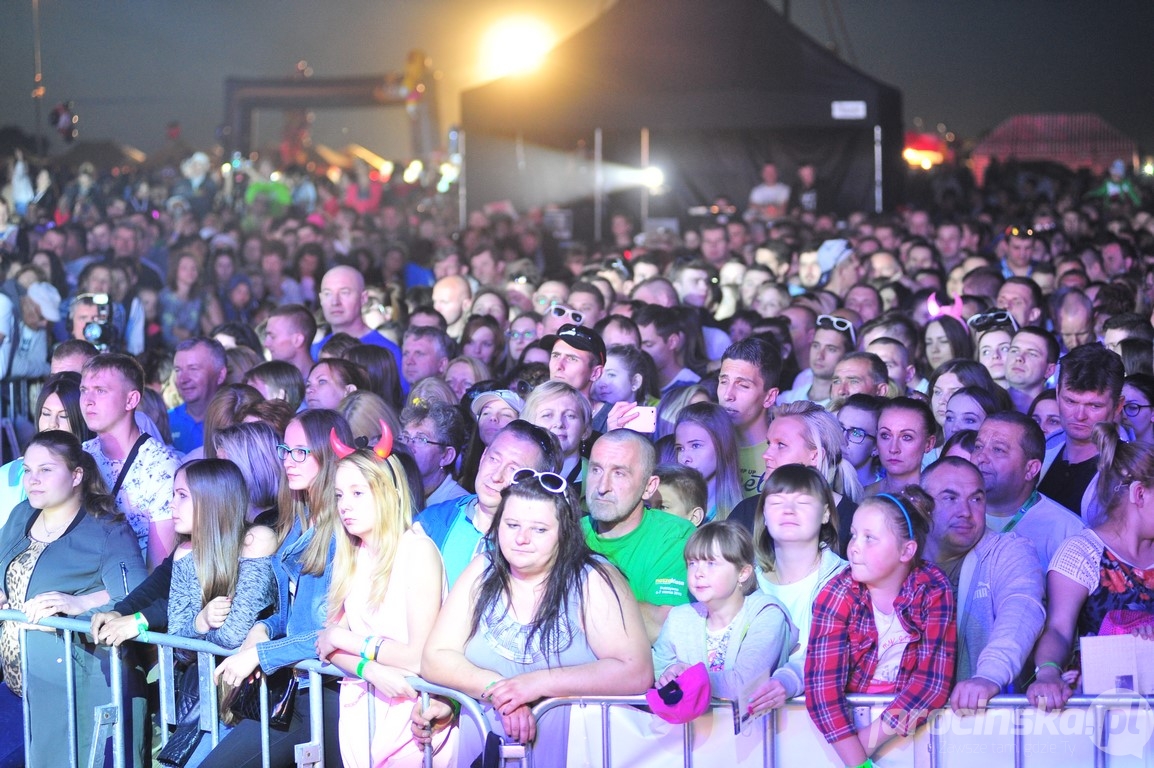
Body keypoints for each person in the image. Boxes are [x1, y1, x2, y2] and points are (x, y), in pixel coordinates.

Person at [414, 468, 652, 767]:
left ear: (564, 532)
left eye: (539, 529)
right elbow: (435, 656)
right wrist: (501, 691)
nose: (521, 539)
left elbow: (636, 672)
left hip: (572, 753)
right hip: (486, 750)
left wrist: (536, 684)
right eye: (512, 524)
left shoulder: (593, 579)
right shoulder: (482, 569)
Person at [201, 410, 355, 768]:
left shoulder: (340, 535)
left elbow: (329, 632)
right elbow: (292, 614)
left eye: (302, 451)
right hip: (298, 687)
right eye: (286, 449)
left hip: (327, 693)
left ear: (328, 455)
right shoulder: (300, 521)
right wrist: (263, 628)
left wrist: (260, 654)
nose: (289, 460)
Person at [0, 430, 148, 768]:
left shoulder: (107, 529)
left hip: (78, 689)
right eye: (27, 470)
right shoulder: (21, 515)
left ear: (76, 475)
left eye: (46, 470)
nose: (32, 480)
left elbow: (138, 595)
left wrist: (78, 604)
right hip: (19, 687)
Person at [316, 438, 448, 768]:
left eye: (358, 493)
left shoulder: (417, 550)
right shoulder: (351, 556)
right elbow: (325, 646)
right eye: (339, 495)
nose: (345, 505)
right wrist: (369, 669)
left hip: (411, 716)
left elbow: (418, 657)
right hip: (364, 709)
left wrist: (345, 640)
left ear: (388, 491)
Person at [805, 489, 956, 767]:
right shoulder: (836, 594)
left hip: (907, 733)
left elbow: (931, 684)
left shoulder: (933, 588)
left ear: (906, 550)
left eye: (870, 538)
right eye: (853, 534)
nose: (854, 547)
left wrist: (864, 748)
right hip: (840, 738)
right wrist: (858, 760)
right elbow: (823, 693)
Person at [1027, 424, 1154, 711]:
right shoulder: (1082, 552)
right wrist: (1047, 672)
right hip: (1097, 702)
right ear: (1139, 494)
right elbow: (1058, 629)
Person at [163, 459, 278, 767]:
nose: (172, 504)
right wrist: (200, 623)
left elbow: (235, 634)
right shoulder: (185, 554)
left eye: (182, 495)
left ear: (212, 499)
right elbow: (176, 642)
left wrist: (202, 635)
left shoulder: (257, 541)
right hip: (207, 697)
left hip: (253, 698)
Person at [920, 457, 1045, 711]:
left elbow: (1021, 608)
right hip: (906, 719)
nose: (965, 511)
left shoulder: (1009, 550)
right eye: (950, 498)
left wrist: (988, 676)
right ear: (923, 506)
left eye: (976, 499)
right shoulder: (900, 554)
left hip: (986, 720)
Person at [652, 521, 797, 703]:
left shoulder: (766, 614)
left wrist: (689, 678)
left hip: (754, 730)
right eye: (692, 563)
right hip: (692, 729)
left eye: (711, 563)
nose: (698, 573)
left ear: (743, 573)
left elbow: (745, 684)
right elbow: (658, 670)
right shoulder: (678, 618)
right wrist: (669, 673)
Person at [747, 465, 848, 711]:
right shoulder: (745, 582)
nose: (788, 511)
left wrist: (788, 680)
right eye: (777, 502)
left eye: (802, 502)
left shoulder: (846, 580)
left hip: (820, 726)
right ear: (764, 515)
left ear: (825, 514)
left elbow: (838, 655)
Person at [415, 420, 561, 587]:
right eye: (493, 459)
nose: (496, 476)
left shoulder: (537, 547)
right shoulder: (432, 522)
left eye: (513, 470)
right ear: (483, 456)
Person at [583, 429, 696, 642]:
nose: (602, 487)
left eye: (619, 473)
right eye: (596, 470)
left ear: (648, 487)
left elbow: (663, 626)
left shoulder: (673, 536)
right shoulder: (569, 533)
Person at [82, 353, 180, 570]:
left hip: (130, 593)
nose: (88, 401)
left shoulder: (161, 467)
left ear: (131, 400)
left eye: (100, 391)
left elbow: (157, 572)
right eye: (83, 390)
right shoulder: (81, 455)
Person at [972, 412, 1084, 570]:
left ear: (1031, 469)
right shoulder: (949, 512)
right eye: (978, 447)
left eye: (998, 450)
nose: (981, 457)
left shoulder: (1068, 533)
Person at [1038, 343, 1126, 522]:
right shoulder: (1041, 450)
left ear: (1118, 406)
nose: (1079, 415)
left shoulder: (1129, 471)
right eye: (1070, 401)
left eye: (1094, 405)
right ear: (1057, 393)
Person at [0, 372, 92, 527]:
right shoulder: (8, 475)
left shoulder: (97, 472)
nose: (52, 424)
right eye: (46, 414)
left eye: (64, 416)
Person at [311, 265, 403, 380]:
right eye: (327, 294)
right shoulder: (315, 350)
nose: (335, 302)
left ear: (363, 298)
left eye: (344, 292)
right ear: (321, 299)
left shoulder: (388, 352)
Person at [717, 338, 782, 498]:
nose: (728, 395)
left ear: (769, 397)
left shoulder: (783, 455)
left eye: (743, 385)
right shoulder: (709, 447)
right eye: (723, 381)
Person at [673, 401, 743, 522]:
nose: (685, 458)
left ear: (722, 445)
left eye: (695, 446)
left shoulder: (741, 515)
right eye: (680, 448)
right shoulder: (668, 509)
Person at [521, 380, 592, 491]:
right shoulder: (517, 476)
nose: (559, 423)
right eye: (547, 415)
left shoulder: (597, 481)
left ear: (585, 429)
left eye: (570, 415)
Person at [399, 401, 468, 507]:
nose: (408, 446)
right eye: (405, 437)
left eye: (421, 439)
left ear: (446, 456)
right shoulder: (395, 489)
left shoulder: (458, 505)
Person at [169, 337, 229, 454]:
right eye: (178, 370)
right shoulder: (165, 422)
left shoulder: (235, 421)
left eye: (193, 369)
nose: (183, 379)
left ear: (220, 375)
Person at [869, 397, 937, 495]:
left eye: (907, 437)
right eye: (885, 435)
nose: (893, 449)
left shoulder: (938, 503)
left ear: (929, 444)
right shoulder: (859, 498)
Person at [263, 304, 318, 381]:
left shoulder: (326, 385)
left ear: (297, 340)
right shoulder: (268, 383)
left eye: (273, 337)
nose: (266, 344)